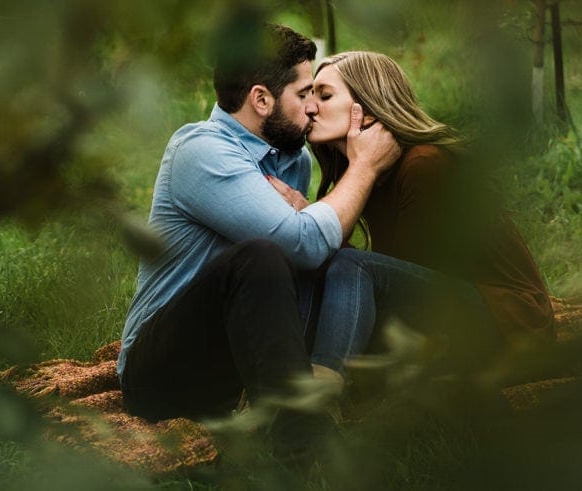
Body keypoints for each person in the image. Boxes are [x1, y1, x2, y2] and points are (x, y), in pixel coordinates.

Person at [116, 26, 400, 445]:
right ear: (261, 99)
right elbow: (302, 244)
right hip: (161, 372)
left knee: (339, 268)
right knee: (260, 257)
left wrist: (310, 214)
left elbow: (312, 252)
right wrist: (364, 169)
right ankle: (299, 440)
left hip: (236, 354)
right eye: (304, 94)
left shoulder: (293, 159)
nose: (312, 110)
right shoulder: (201, 152)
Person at [293, 50, 555, 372]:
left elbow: (409, 278)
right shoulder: (369, 173)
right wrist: (313, 216)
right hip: (448, 310)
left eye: (325, 95)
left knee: (349, 267)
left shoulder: (424, 165)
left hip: (508, 320)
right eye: (309, 95)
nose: (309, 107)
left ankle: (324, 385)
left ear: (369, 110)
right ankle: (296, 380)